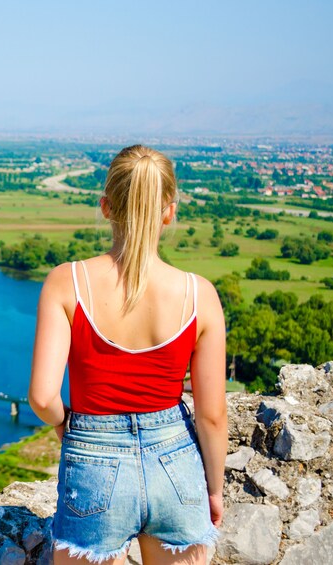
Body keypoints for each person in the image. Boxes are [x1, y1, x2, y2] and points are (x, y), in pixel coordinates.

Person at [28, 145, 227, 565]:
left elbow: (43, 398)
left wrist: (69, 425)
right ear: (169, 211)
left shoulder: (66, 284)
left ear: (105, 207)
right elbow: (212, 416)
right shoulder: (200, 295)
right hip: (178, 463)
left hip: (93, 458)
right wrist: (213, 488)